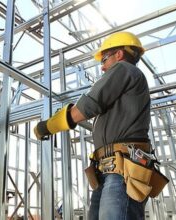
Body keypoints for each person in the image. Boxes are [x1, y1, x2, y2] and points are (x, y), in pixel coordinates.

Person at [34, 32, 151, 219]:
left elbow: (88, 105)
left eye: (104, 60)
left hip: (122, 170)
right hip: (109, 169)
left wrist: (47, 126)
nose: (103, 68)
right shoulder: (129, 79)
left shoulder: (123, 68)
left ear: (119, 55)